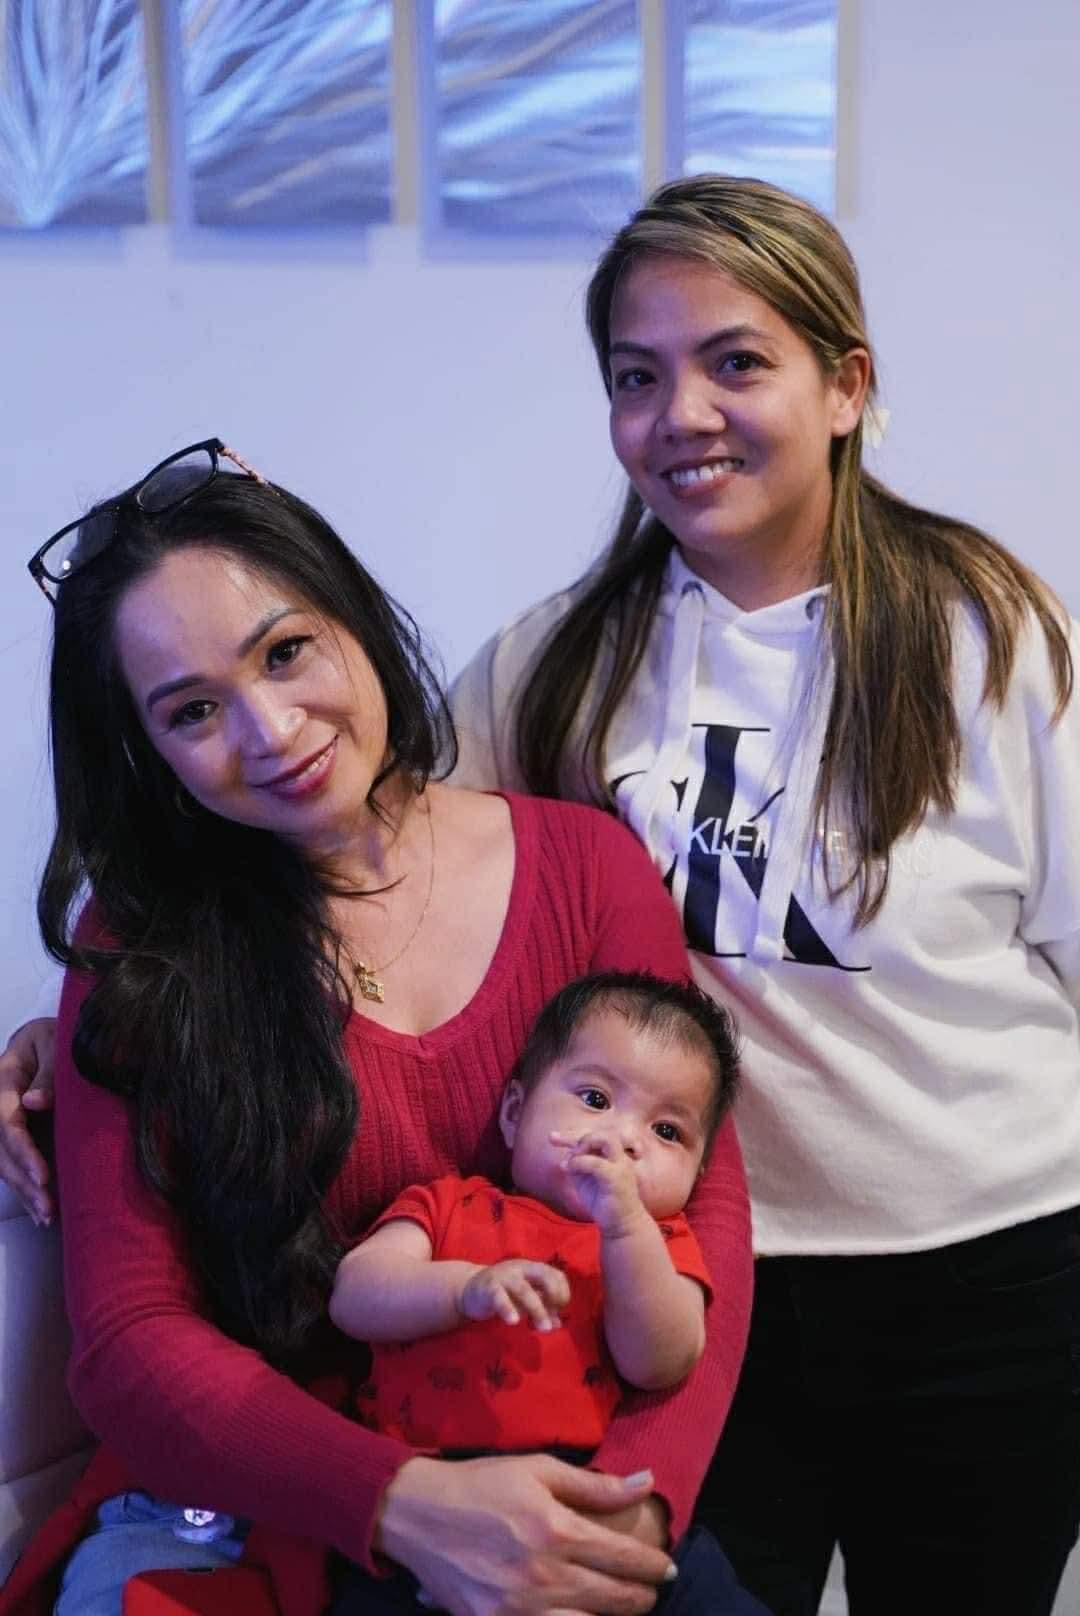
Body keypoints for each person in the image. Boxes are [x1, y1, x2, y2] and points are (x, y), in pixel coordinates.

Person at [7, 169, 1080, 1614]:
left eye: (737, 362)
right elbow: (360, 840)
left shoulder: (995, 639)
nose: (683, 414)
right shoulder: (555, 662)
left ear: (847, 386)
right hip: (664, 1273)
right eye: (638, 377)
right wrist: (78, 1034)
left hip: (986, 1272)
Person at [0, 443, 752, 1616]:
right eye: (193, 710)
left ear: (350, 613)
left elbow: (703, 1209)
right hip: (277, 1504)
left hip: (578, 1487)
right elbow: (130, 1337)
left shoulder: (587, 868)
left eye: (285, 650)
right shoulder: (141, 944)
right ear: (145, 751)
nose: (270, 730)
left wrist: (624, 1509)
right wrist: (404, 1503)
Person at [326, 970, 770, 1615]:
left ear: (699, 1173)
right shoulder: (450, 1205)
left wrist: (625, 1229)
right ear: (515, 1112)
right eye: (594, 1098)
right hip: (434, 1508)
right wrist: (465, 1288)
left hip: (588, 1495)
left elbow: (661, 1361)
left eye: (666, 1132)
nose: (622, 1141)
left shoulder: (660, 1244)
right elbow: (355, 1297)